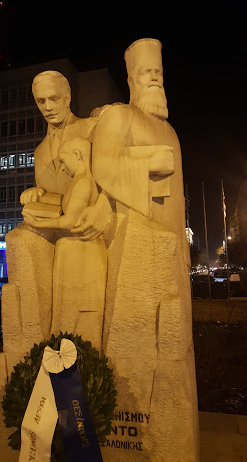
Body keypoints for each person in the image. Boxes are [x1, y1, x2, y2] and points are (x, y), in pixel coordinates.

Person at [91, 39, 199, 461]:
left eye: (159, 73)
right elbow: (103, 166)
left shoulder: (170, 129)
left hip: (171, 251)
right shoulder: (120, 116)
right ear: (132, 80)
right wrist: (147, 164)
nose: (154, 78)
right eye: (146, 73)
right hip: (136, 247)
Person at [4, 72, 110, 353]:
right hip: (62, 240)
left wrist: (104, 207)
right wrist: (38, 193)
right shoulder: (40, 152)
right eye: (41, 101)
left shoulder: (93, 128)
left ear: (68, 97)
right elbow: (58, 195)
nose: (48, 106)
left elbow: (112, 179)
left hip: (90, 234)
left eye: (53, 98)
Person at [23, 137, 107, 348]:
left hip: (82, 254)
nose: (61, 167)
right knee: (65, 313)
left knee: (80, 312)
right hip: (71, 252)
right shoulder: (77, 183)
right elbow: (62, 205)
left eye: (63, 160)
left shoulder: (83, 183)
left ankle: (82, 366)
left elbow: (70, 221)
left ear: (77, 155)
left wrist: (38, 223)